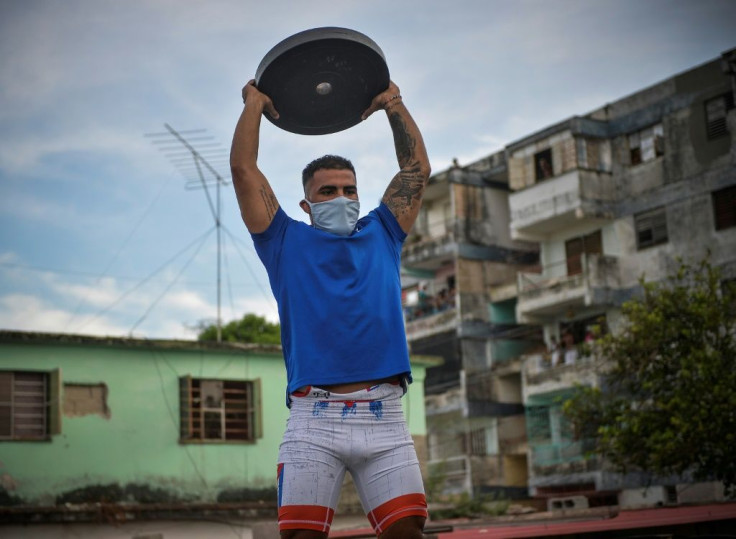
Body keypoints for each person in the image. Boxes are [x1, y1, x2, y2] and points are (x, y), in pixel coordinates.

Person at [230, 78, 431, 539]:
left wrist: (392, 104)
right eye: (327, 191)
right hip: (313, 419)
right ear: (307, 203)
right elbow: (244, 170)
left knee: (408, 533)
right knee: (301, 537)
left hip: (385, 415)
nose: (341, 198)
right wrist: (255, 105)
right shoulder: (283, 240)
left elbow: (417, 169)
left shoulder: (383, 230)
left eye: (348, 189)